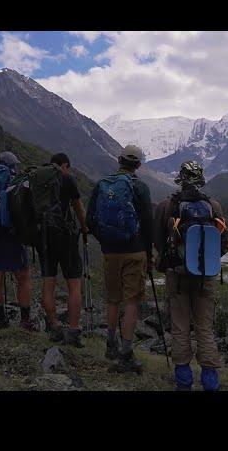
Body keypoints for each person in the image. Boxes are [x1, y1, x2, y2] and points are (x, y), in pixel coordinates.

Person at [153, 161, 228, 391]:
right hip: (205, 276)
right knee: (205, 329)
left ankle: (184, 382)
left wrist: (168, 264)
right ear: (201, 178)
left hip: (177, 276)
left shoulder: (167, 205)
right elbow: (223, 243)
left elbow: (157, 240)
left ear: (180, 178)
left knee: (180, 328)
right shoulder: (213, 206)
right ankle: (210, 383)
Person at [86, 145, 153, 373]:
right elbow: (148, 223)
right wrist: (149, 251)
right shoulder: (140, 188)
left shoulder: (102, 185)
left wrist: (104, 240)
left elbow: (90, 219)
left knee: (113, 299)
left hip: (110, 252)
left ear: (118, 159)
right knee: (131, 301)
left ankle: (110, 344)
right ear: (139, 165)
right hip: (135, 251)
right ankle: (126, 352)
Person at [37, 153, 89, 347]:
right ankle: (73, 330)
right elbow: (78, 208)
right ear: (65, 165)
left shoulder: (38, 178)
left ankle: (54, 325)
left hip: (44, 236)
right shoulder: (67, 178)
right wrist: (84, 228)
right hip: (65, 236)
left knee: (48, 281)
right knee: (74, 284)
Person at [0, 151, 34, 330]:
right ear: (12, 165)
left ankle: (1, 319)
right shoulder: (13, 180)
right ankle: (25, 320)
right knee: (23, 276)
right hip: (10, 234)